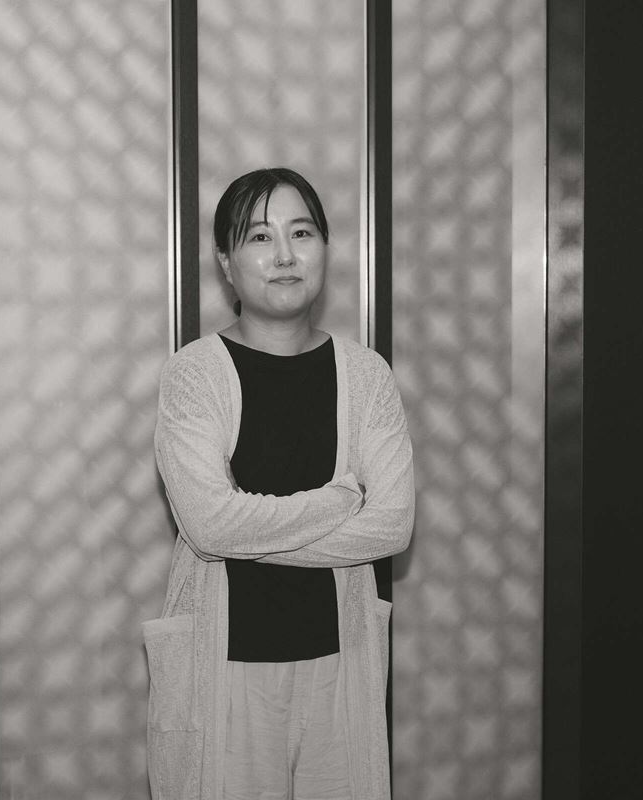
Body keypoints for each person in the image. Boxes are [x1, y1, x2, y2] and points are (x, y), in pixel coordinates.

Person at [147, 167, 415, 799]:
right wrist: (340, 500)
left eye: (302, 232)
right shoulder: (194, 374)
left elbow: (393, 526)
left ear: (324, 247)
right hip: (225, 667)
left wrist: (244, 530)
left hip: (340, 663)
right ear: (226, 261)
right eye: (260, 237)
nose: (286, 256)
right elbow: (210, 526)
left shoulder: (366, 374)